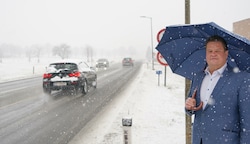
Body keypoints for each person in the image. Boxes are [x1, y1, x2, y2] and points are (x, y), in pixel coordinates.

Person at [185, 35, 250, 144]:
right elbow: (192, 107)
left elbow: (247, 120)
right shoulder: (198, 77)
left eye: (217, 50)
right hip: (199, 140)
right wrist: (189, 107)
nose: (213, 54)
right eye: (209, 51)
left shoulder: (241, 78)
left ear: (226, 53)